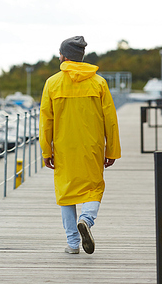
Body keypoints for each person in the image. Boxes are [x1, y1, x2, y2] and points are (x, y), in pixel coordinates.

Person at [39, 36, 121, 254]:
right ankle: (86, 219)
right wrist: (112, 150)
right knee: (94, 188)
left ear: (64, 56)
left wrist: (47, 150)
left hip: (64, 149)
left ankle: (73, 244)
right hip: (92, 147)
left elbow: (46, 121)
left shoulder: (52, 83)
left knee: (66, 193)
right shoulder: (99, 82)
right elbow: (110, 120)